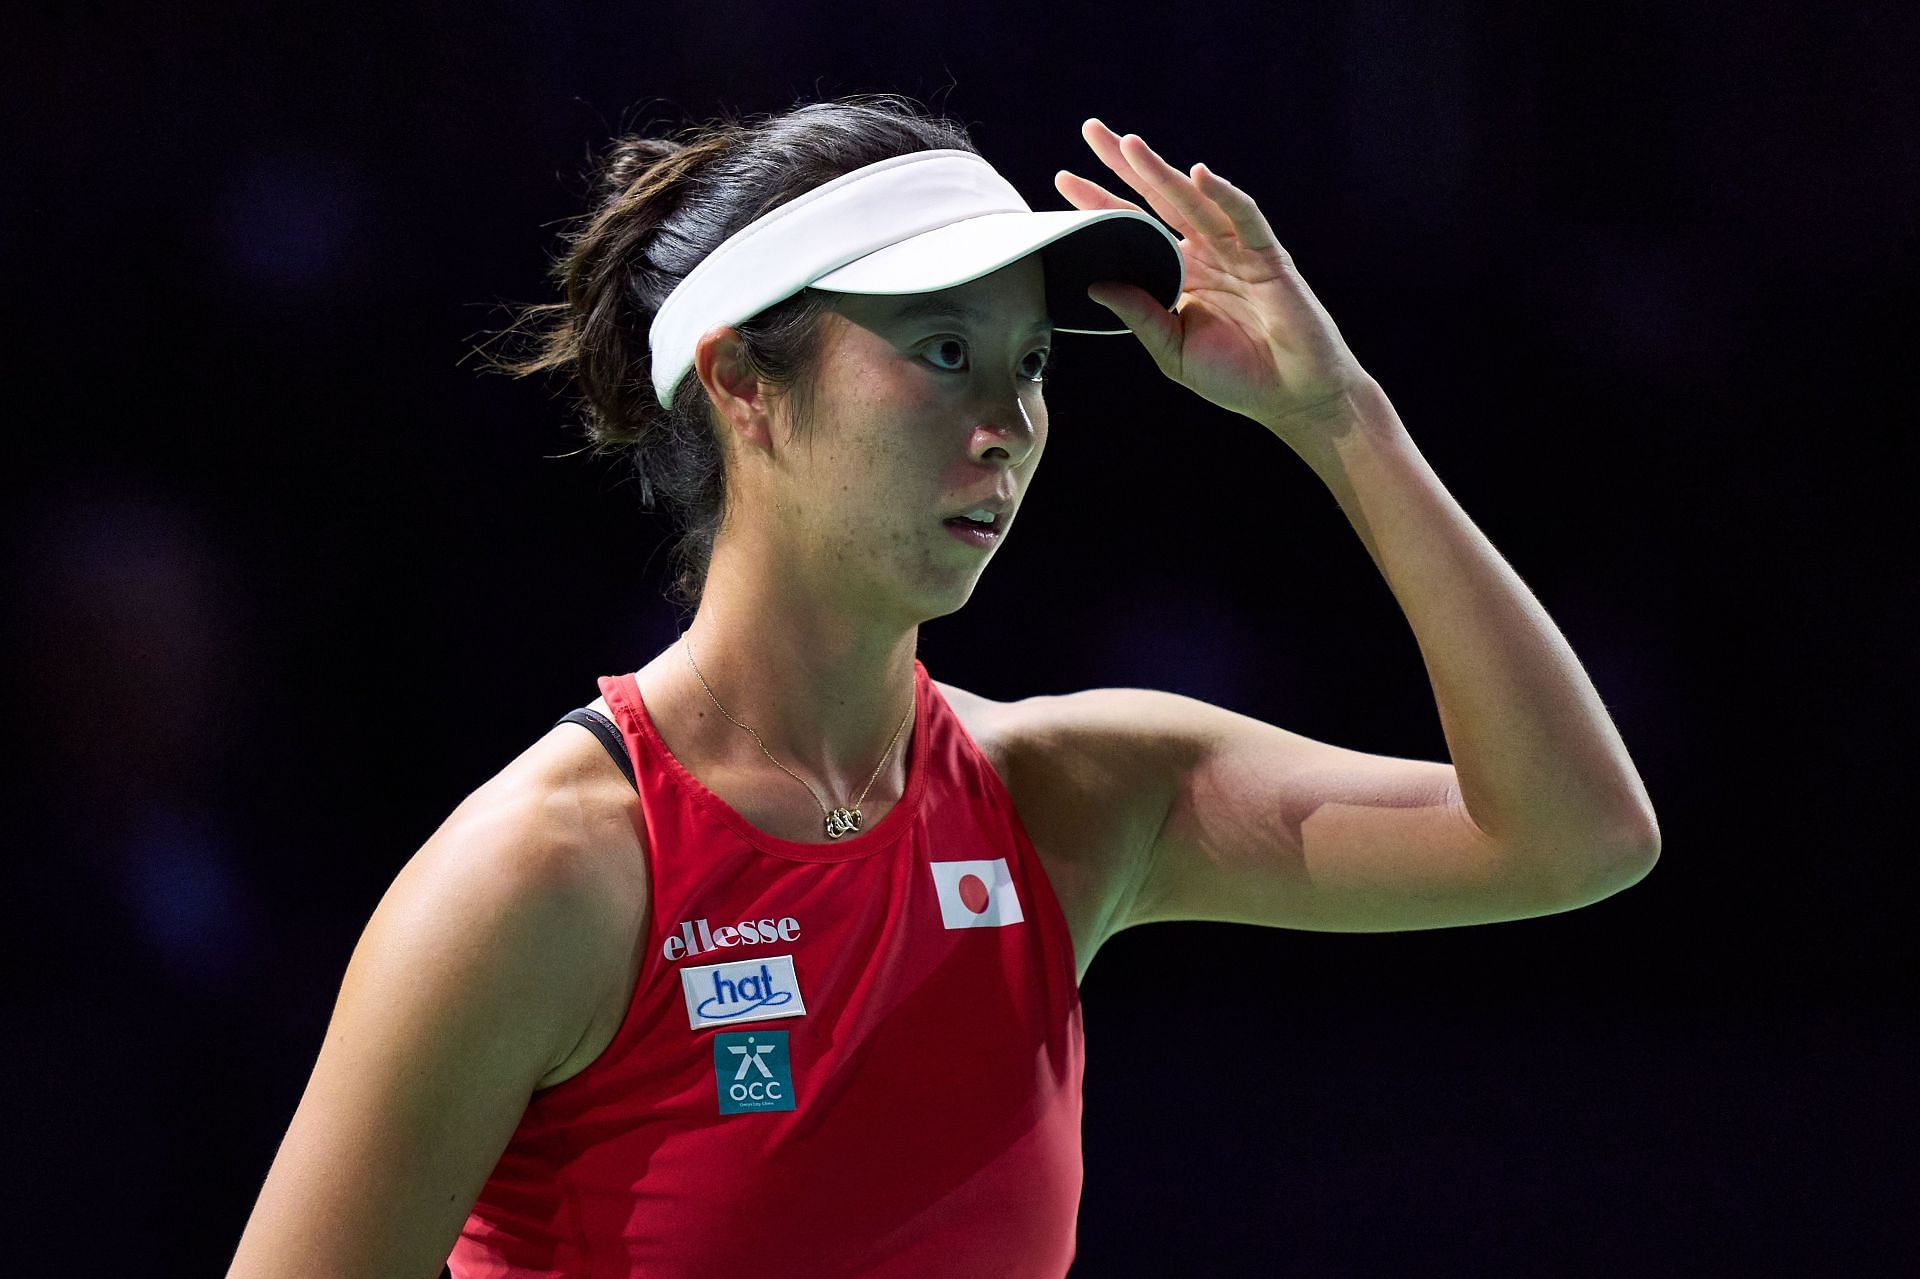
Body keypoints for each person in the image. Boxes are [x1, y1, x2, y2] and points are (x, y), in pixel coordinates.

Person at [225, 94, 1660, 1279]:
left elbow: (1574, 837)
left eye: (1032, 364)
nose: (1010, 425)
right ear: (740, 380)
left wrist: (1339, 416)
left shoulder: (1069, 800)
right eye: (943, 353)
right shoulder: (542, 876)